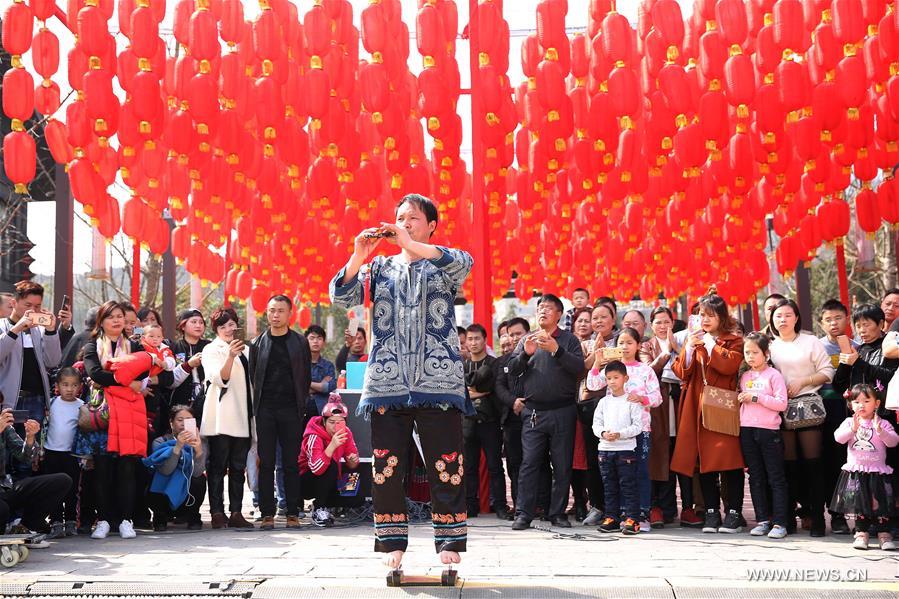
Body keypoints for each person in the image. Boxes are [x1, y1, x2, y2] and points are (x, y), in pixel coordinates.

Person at [329, 193, 473, 570]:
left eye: (412, 218)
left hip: (438, 380)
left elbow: (465, 263)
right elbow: (340, 296)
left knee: (446, 463)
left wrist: (413, 246)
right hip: (387, 383)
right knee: (386, 466)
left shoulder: (442, 264)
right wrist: (359, 254)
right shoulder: (378, 269)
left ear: (430, 226)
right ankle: (392, 540)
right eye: (400, 217)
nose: (404, 223)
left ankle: (449, 539)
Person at [79, 300, 170, 539]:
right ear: (102, 321)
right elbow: (94, 373)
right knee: (103, 471)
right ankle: (105, 520)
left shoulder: (136, 345)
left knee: (128, 469)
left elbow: (143, 374)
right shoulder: (92, 347)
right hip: (105, 415)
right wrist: (128, 382)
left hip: (130, 413)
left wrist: (115, 377)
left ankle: (126, 519)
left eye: (120, 316)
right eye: (111, 317)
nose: (117, 320)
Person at [671, 289, 745, 535]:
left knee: (728, 459)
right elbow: (682, 371)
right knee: (704, 460)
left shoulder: (734, 340)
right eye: (702, 315)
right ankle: (711, 511)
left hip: (722, 403)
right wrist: (690, 349)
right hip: (697, 404)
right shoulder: (695, 340)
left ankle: (733, 512)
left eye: (710, 315)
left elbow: (728, 365)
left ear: (722, 317)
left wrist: (711, 343)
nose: (705, 320)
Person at [509, 293, 585, 531]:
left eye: (549, 308)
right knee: (529, 464)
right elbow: (511, 370)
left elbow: (578, 369)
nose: (543, 311)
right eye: (540, 307)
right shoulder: (527, 340)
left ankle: (557, 513)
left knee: (562, 466)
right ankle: (524, 513)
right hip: (533, 413)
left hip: (563, 411)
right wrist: (525, 354)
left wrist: (556, 350)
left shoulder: (569, 339)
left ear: (559, 315)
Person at [768, 298, 834, 536]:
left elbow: (828, 371)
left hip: (807, 406)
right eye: (778, 316)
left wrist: (803, 381)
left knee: (813, 465)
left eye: (787, 315)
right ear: (772, 320)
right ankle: (788, 519)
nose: (782, 319)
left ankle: (816, 518)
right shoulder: (769, 345)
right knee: (789, 467)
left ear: (796, 317)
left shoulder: (811, 341)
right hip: (780, 409)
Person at [586, 327, 662, 533]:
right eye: (621, 343)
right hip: (612, 435)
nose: (625, 347)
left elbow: (657, 398)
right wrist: (596, 361)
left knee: (640, 472)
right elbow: (592, 384)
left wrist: (642, 398)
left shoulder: (645, 370)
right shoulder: (612, 369)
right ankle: (619, 515)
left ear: (638, 345)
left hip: (639, 430)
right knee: (615, 475)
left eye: (630, 343)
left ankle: (641, 515)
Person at [248, 294, 311, 530]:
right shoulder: (257, 344)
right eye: (272, 310)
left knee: (291, 463)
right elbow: (254, 377)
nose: (275, 315)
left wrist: (300, 405)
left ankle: (293, 511)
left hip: (291, 409)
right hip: (265, 409)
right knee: (265, 462)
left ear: (289, 313)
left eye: (280, 311)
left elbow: (305, 377)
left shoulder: (299, 342)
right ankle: (267, 513)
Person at [200, 307, 254, 530]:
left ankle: (236, 511)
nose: (228, 330)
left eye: (232, 325)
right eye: (223, 327)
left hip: (243, 414)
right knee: (218, 466)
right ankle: (216, 511)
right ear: (216, 330)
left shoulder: (248, 351)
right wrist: (230, 356)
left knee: (238, 466)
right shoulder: (212, 349)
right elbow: (218, 378)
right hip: (221, 415)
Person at [641, 306, 695, 528]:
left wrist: (678, 349)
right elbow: (648, 371)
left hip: (680, 404)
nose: (663, 326)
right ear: (651, 325)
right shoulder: (647, 346)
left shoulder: (685, 342)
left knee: (682, 454)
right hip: (658, 409)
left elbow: (691, 368)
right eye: (658, 322)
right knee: (659, 455)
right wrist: (667, 353)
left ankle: (688, 507)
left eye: (667, 322)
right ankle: (658, 507)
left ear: (673, 323)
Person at [831, 384, 899, 551]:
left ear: (876, 404)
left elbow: (894, 441)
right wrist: (852, 429)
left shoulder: (883, 423)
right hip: (857, 472)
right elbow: (838, 438)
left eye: (866, 401)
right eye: (856, 401)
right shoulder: (849, 422)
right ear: (851, 405)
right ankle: (861, 533)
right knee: (860, 504)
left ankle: (884, 535)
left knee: (880, 504)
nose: (861, 405)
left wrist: (880, 431)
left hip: (878, 472)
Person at [738, 333, 789, 539]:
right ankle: (762, 520)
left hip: (769, 431)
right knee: (755, 477)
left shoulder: (774, 375)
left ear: (766, 354)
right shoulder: (744, 376)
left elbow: (782, 404)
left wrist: (757, 397)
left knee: (776, 478)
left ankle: (780, 523)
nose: (750, 356)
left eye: (755, 352)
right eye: (747, 352)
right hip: (747, 430)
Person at [462, 323, 510, 520]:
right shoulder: (462, 365)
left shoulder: (494, 363)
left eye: (477, 339)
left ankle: (500, 505)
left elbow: (492, 387)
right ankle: (470, 506)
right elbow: (459, 393)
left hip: (490, 421)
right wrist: (479, 392)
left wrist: (470, 391)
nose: (473, 343)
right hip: (467, 422)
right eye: (470, 339)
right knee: (469, 467)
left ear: (484, 340)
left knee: (495, 466)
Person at [577, 302, 619, 526]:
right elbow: (579, 371)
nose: (599, 321)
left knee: (619, 459)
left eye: (604, 317)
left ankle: (619, 506)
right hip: (592, 408)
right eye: (595, 318)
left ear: (613, 320)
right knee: (594, 460)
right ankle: (597, 505)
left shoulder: (623, 341)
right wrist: (595, 354)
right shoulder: (584, 345)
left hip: (620, 408)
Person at [817, 299, 856, 535]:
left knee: (849, 463)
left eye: (838, 318)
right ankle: (832, 513)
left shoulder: (858, 346)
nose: (834, 323)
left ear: (847, 320)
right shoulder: (817, 347)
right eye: (828, 320)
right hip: (824, 409)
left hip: (851, 412)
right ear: (822, 323)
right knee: (827, 463)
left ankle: (852, 513)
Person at [592, 361, 644, 535]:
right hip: (605, 450)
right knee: (609, 486)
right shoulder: (603, 402)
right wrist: (603, 433)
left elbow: (638, 426)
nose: (612, 381)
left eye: (616, 377)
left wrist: (620, 434)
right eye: (609, 378)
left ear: (625, 378)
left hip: (626, 450)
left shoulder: (632, 401)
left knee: (628, 485)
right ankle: (611, 518)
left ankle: (632, 519)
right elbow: (596, 424)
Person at [0, 408, 71, 534]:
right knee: (2, 509)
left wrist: (30, 437)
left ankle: (25, 528)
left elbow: (25, 457)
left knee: (62, 481)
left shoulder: (4, 425)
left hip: (4, 488)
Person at [0, 281, 64, 419]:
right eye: (28, 305)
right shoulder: (2, 326)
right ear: (13, 303)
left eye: (37, 306)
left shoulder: (40, 330)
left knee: (32, 441)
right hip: (6, 401)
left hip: (36, 400)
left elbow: (52, 361)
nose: (33, 310)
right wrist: (16, 329)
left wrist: (51, 331)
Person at [299, 395, 360, 527]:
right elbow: (316, 468)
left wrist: (352, 461)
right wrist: (332, 446)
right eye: (332, 422)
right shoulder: (314, 435)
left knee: (357, 496)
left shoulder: (346, 433)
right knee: (330, 465)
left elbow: (353, 463)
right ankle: (319, 508)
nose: (336, 427)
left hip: (329, 479)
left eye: (340, 422)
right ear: (324, 421)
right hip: (305, 481)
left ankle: (329, 506)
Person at [144, 405, 205, 531]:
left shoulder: (199, 441)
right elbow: (165, 471)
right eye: (180, 420)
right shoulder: (160, 442)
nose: (183, 424)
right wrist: (177, 448)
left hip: (187, 498)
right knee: (157, 476)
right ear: (171, 423)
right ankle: (160, 516)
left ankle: (193, 516)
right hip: (163, 496)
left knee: (199, 479)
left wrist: (199, 452)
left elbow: (197, 472)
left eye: (188, 420)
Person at [41, 367, 84, 538]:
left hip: (71, 455)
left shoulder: (82, 406)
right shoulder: (50, 403)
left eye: (74, 385)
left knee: (72, 489)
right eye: (65, 385)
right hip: (51, 453)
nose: (69, 389)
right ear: (57, 385)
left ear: (80, 386)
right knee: (54, 489)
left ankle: (72, 521)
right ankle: (56, 521)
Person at [493, 317, 531, 508]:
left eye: (519, 334)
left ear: (528, 333)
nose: (515, 338)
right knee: (514, 464)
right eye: (512, 334)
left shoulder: (537, 355)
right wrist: (513, 401)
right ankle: (519, 504)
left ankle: (539, 504)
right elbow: (499, 386)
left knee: (536, 463)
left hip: (533, 416)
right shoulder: (505, 360)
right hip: (511, 418)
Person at [569, 307, 595, 521]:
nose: (584, 324)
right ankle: (579, 502)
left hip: (595, 406)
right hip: (571, 405)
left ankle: (595, 502)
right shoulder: (567, 344)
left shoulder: (604, 344)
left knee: (591, 457)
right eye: (580, 320)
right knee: (574, 457)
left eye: (589, 320)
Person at [167, 309, 209, 409]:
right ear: (182, 326)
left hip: (206, 401)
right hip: (180, 403)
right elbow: (170, 378)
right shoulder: (174, 347)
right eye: (193, 322)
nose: (198, 325)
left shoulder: (209, 346)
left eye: (201, 322)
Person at [306, 325, 337, 420]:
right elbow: (295, 387)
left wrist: (306, 383)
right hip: (301, 410)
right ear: (305, 342)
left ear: (324, 343)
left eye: (319, 338)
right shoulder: (299, 364)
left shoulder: (328, 365)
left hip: (322, 410)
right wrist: (320, 384)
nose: (315, 341)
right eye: (312, 338)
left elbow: (328, 387)